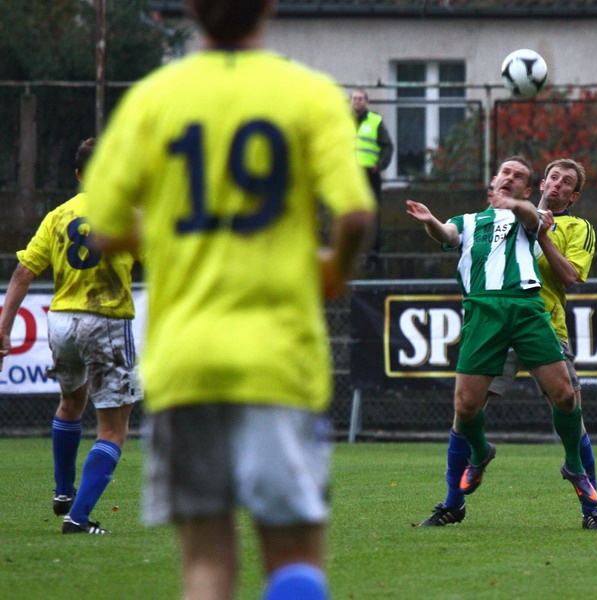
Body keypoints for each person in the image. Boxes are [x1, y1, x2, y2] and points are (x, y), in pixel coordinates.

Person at [81, 1, 376, 599]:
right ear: (267, 6)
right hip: (278, 359)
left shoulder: (155, 98)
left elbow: (104, 227)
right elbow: (353, 214)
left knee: (208, 565)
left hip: (187, 362)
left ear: (191, 9)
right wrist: (334, 271)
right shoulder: (308, 94)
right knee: (294, 558)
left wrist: (176, 230)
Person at [406, 156, 597, 529]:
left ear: (571, 196)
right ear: (541, 184)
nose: (556, 183)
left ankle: (591, 508)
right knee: (466, 408)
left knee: (569, 402)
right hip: (488, 316)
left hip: (541, 319)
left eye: (566, 181)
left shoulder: (557, 224)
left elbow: (570, 272)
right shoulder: (475, 221)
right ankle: (453, 501)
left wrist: (521, 210)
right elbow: (449, 235)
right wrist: (431, 221)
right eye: (552, 177)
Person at [0, 137, 141, 535]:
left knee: (71, 400)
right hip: (106, 320)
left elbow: (23, 272)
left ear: (79, 175)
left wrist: (4, 329)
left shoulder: (58, 215)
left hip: (61, 321)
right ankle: (78, 517)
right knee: (113, 428)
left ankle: (63, 492)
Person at [351, 88, 394, 258]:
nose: (357, 101)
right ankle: (352, 248)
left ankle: (374, 249)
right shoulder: (343, 121)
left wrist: (380, 165)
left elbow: (387, 146)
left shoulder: (375, 121)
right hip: (350, 173)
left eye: (360, 98)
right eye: (354, 98)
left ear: (366, 101)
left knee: (373, 210)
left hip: (369, 172)